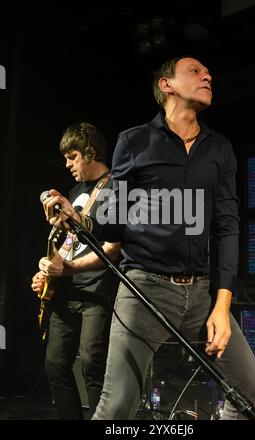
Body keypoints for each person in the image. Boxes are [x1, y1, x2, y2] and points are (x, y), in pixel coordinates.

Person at [42, 57, 255, 420]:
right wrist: (79, 219)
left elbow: (228, 226)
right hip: (144, 290)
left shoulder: (220, 149)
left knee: (254, 393)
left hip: (201, 295)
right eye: (195, 71)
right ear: (166, 85)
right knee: (116, 408)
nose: (208, 75)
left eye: (207, 72)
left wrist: (223, 306)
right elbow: (114, 227)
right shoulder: (134, 142)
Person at [31, 122, 120, 419]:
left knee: (93, 366)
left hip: (97, 292)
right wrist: (48, 270)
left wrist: (66, 269)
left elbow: (112, 248)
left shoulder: (115, 189)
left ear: (90, 152)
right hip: (66, 292)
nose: (67, 164)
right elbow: (69, 242)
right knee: (55, 364)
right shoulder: (74, 190)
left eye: (72, 157)